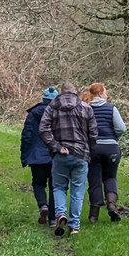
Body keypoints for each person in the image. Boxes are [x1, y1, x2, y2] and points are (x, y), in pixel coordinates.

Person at [39, 81, 98, 236]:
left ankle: (60, 214)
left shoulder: (52, 107)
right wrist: (88, 149)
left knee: (59, 187)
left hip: (61, 155)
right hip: (81, 154)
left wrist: (56, 146)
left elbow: (43, 129)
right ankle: (74, 225)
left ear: (61, 92)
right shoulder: (86, 108)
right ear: (75, 92)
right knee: (77, 190)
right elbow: (93, 133)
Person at [84, 82, 127, 223]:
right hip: (111, 149)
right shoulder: (111, 109)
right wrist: (113, 137)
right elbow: (121, 128)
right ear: (100, 94)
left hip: (94, 149)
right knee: (110, 177)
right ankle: (111, 205)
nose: (107, 94)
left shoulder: (87, 109)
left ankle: (94, 214)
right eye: (105, 92)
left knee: (94, 180)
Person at [20, 86, 59, 224]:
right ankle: (53, 219)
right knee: (55, 187)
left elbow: (26, 136)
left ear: (43, 99)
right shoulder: (60, 114)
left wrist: (24, 155)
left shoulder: (33, 114)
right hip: (55, 156)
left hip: (37, 156)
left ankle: (43, 205)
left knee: (38, 184)